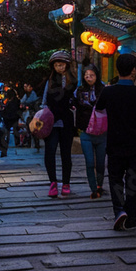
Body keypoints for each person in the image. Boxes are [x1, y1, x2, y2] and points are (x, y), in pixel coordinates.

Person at [94, 53, 136, 231]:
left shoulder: (108, 91)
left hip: (114, 144)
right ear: (134, 71)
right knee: (132, 180)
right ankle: (132, 217)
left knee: (115, 179)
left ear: (118, 69)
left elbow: (99, 108)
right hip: (135, 144)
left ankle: (119, 211)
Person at [41, 50, 77, 197]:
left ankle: (66, 183)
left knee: (65, 153)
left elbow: (76, 98)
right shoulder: (49, 82)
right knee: (50, 151)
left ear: (66, 65)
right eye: (56, 65)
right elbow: (44, 101)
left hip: (67, 122)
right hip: (52, 122)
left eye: (61, 65)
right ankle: (53, 183)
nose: (59, 67)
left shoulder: (73, 81)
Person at [75, 64, 106, 199]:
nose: (89, 78)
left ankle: (100, 184)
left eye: (91, 75)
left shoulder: (104, 90)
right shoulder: (79, 91)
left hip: (102, 132)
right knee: (89, 162)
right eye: (86, 76)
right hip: (86, 131)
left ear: (96, 76)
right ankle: (93, 189)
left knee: (100, 162)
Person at [19, 82, 41, 150]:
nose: (25, 88)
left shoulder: (33, 96)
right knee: (29, 129)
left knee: (33, 129)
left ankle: (35, 143)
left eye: (26, 86)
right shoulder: (26, 95)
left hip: (33, 114)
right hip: (29, 115)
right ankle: (30, 142)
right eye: (24, 87)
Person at [0, 88, 21, 155]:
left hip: (9, 119)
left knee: (7, 133)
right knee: (14, 131)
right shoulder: (16, 101)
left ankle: (7, 146)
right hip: (14, 118)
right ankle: (17, 142)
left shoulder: (11, 102)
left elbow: (7, 111)